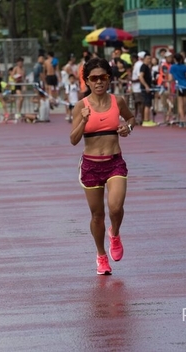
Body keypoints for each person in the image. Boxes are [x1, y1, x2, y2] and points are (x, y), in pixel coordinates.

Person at [70, 57, 135, 275]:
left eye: (103, 78)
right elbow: (73, 139)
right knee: (97, 215)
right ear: (87, 81)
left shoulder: (119, 101)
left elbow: (132, 118)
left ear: (109, 79)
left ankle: (114, 234)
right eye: (94, 78)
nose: (99, 82)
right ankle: (101, 256)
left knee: (116, 208)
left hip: (114, 163)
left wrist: (128, 127)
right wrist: (83, 121)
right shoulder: (81, 106)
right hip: (91, 166)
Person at [169, 53, 186, 127]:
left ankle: (182, 119)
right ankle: (183, 118)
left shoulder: (172, 67)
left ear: (174, 59)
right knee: (184, 104)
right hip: (185, 86)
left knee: (180, 104)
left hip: (178, 86)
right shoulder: (184, 67)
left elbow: (170, 78)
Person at [139, 53, 157, 127]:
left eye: (150, 58)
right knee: (147, 104)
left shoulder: (147, 67)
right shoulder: (143, 66)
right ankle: (146, 120)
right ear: (144, 59)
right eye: (148, 58)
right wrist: (146, 86)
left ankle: (147, 119)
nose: (149, 60)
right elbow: (141, 77)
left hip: (148, 87)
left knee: (148, 104)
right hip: (145, 88)